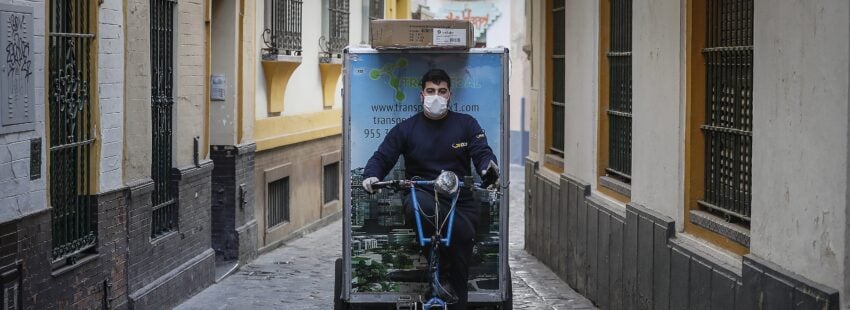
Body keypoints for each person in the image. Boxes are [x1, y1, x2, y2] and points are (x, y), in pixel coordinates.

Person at [362, 68, 499, 308]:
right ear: (421, 95)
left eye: (442, 91)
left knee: (463, 242)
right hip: (422, 194)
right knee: (421, 208)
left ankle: (456, 297)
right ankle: (441, 275)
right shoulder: (406, 129)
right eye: (431, 91)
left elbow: (482, 152)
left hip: (459, 198)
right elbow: (382, 156)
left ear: (450, 95)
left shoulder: (467, 124)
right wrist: (372, 176)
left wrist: (489, 168)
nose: (436, 96)